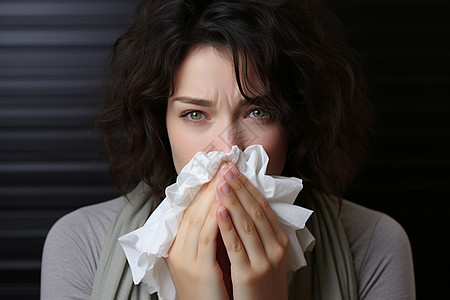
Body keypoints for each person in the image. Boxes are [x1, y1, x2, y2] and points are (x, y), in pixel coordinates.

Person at [41, 0, 415, 299]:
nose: (228, 147)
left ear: (294, 122)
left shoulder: (373, 243)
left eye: (258, 111)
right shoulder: (82, 244)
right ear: (161, 125)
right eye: (194, 114)